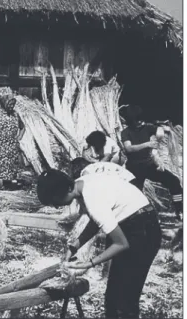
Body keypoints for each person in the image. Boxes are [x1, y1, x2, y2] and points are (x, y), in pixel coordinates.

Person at [37, 169, 161, 319]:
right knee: (113, 297)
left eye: (56, 201)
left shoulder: (92, 198)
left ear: (68, 188)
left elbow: (121, 243)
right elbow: (96, 221)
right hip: (135, 223)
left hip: (142, 231)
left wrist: (89, 263)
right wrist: (74, 246)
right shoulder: (83, 184)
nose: (57, 206)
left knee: (125, 300)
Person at [120, 105, 182, 220]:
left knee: (174, 181)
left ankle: (180, 211)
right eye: (136, 119)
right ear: (130, 120)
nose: (140, 122)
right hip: (134, 168)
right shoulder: (125, 132)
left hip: (150, 165)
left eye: (140, 119)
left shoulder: (147, 128)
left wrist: (158, 135)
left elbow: (160, 131)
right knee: (133, 194)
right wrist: (147, 144)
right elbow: (128, 148)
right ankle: (133, 218)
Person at [70, 157, 135, 183]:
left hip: (123, 184)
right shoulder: (98, 165)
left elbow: (88, 184)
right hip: (130, 178)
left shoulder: (85, 171)